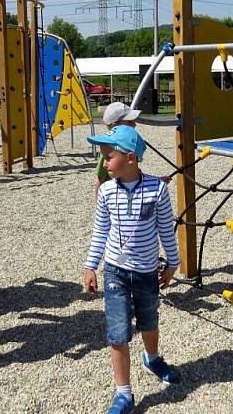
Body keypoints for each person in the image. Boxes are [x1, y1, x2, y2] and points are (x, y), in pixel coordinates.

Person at [83, 125, 181, 414]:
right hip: (115, 272)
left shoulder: (157, 188)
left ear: (130, 159)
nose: (103, 163)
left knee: (149, 321)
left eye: (108, 156)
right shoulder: (106, 191)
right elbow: (100, 230)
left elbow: (166, 229)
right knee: (117, 332)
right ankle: (124, 393)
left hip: (147, 272)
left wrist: (173, 263)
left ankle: (152, 358)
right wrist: (91, 266)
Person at [93, 102, 140, 198]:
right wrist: (99, 203)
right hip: (113, 195)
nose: (134, 124)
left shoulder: (129, 146)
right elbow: (100, 178)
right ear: (115, 125)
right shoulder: (109, 151)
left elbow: (133, 172)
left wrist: (154, 181)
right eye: (129, 121)